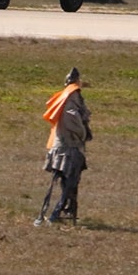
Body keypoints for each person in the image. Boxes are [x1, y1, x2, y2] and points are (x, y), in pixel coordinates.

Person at [38, 67, 91, 225]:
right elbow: (73, 120)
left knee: (66, 183)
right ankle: (56, 213)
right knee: (70, 182)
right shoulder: (71, 99)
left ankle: (64, 209)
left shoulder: (66, 97)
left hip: (62, 146)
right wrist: (82, 134)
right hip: (70, 148)